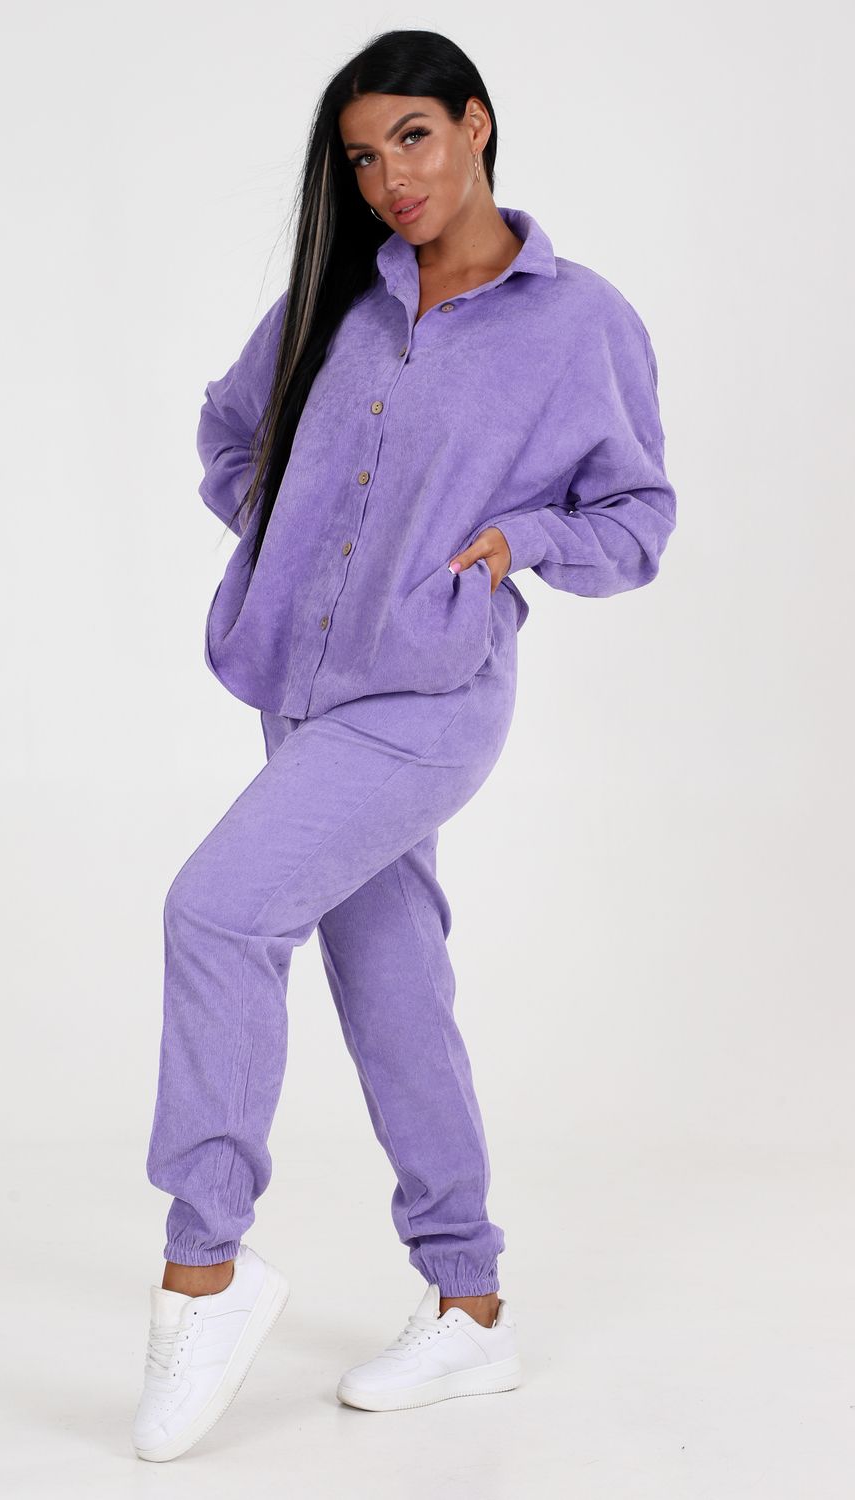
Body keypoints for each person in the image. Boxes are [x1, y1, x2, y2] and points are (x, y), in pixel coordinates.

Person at [132, 27, 677, 1461]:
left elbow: (638, 521)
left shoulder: (580, 322)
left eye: (413, 140)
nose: (390, 179)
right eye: (365, 157)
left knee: (217, 912)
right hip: (300, 695)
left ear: (476, 125)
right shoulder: (337, 299)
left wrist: (517, 542)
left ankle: (204, 1268)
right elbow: (228, 430)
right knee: (393, 989)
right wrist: (280, 524)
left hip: (429, 704)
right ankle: (469, 1305)